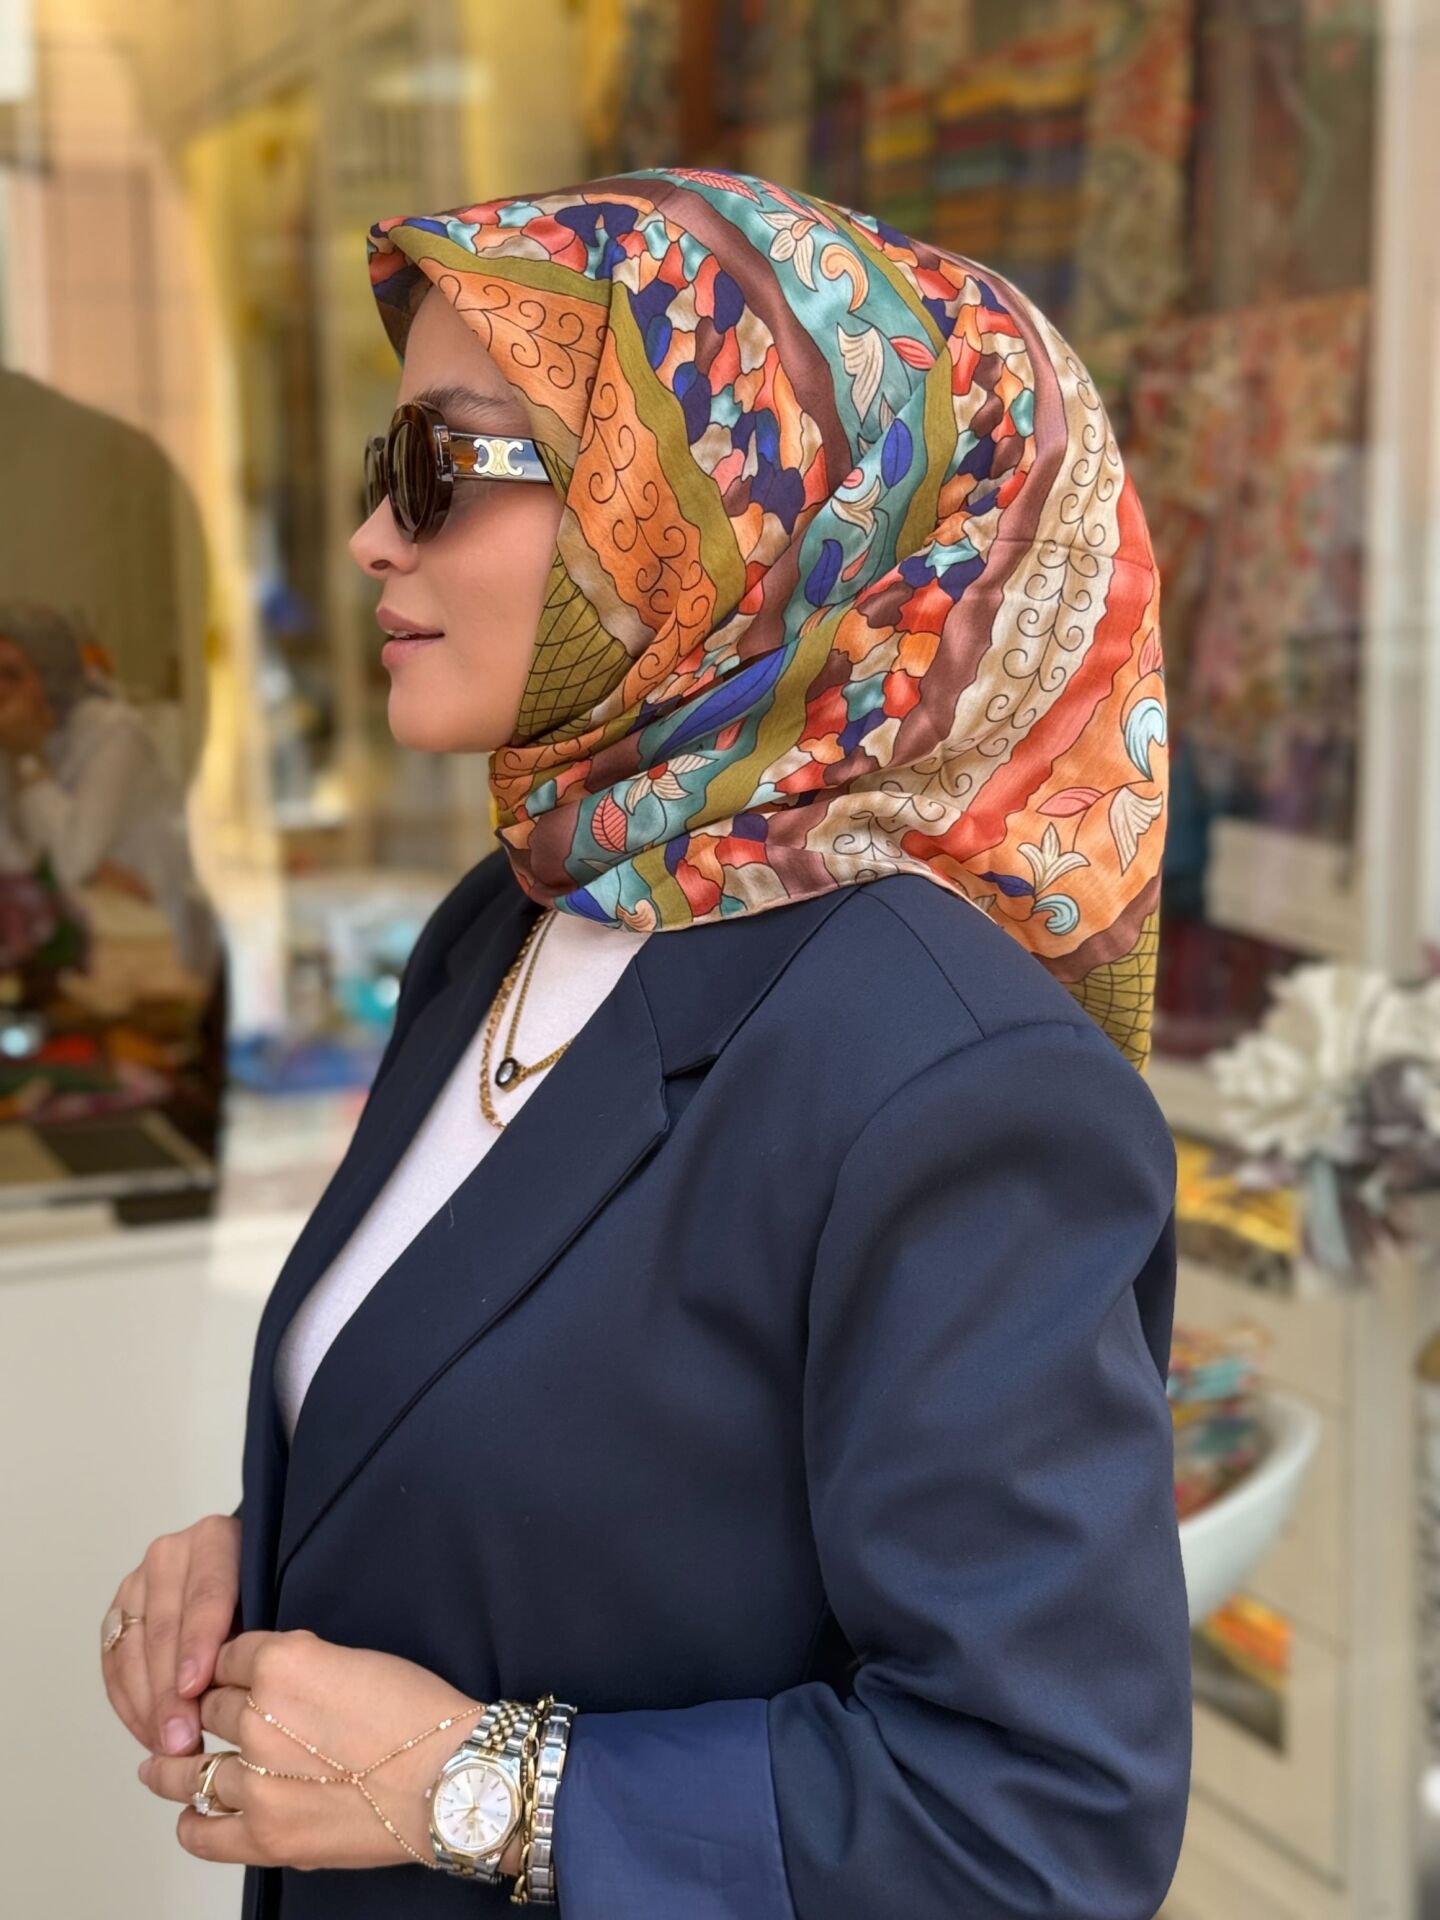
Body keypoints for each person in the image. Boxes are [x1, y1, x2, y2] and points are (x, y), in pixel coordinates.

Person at [101, 166, 1187, 1918]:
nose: (374, 537)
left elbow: (1042, 1819)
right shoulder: (520, 920)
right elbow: (565, 1459)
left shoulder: (953, 1076)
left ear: (738, 512)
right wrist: (284, 1552)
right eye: (386, 467)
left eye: (445, 467)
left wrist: (471, 1788)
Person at [0, 601, 219, 983]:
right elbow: (13, 862)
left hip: (154, 945)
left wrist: (30, 761)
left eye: (12, 674)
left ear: (51, 676)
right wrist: (79, 874)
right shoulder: (8, 736)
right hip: (67, 942)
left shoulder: (115, 733)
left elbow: (67, 863)